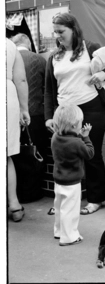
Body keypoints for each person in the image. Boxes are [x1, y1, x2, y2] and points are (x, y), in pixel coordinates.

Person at [44, 13, 105, 215]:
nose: (58, 36)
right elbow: (49, 91)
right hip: (64, 113)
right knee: (63, 154)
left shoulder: (91, 47)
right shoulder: (53, 57)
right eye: (55, 32)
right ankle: (64, 198)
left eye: (61, 31)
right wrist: (49, 117)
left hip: (92, 108)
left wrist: (103, 74)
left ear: (73, 29)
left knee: (91, 155)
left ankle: (96, 199)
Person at [51, 103, 94, 246]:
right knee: (70, 211)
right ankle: (68, 237)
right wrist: (86, 137)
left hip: (58, 180)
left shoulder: (55, 138)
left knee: (59, 207)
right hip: (72, 182)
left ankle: (58, 231)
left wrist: (80, 135)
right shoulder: (77, 142)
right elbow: (89, 153)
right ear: (74, 125)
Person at [11, 33, 48, 160]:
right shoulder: (40, 59)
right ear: (29, 44)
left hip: (12, 114)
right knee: (38, 153)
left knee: (14, 155)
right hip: (36, 115)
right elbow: (47, 88)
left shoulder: (8, 59)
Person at [6, 38, 31, 222]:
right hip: (6, 96)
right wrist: (24, 109)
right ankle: (14, 205)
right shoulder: (10, 45)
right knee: (5, 156)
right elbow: (21, 79)